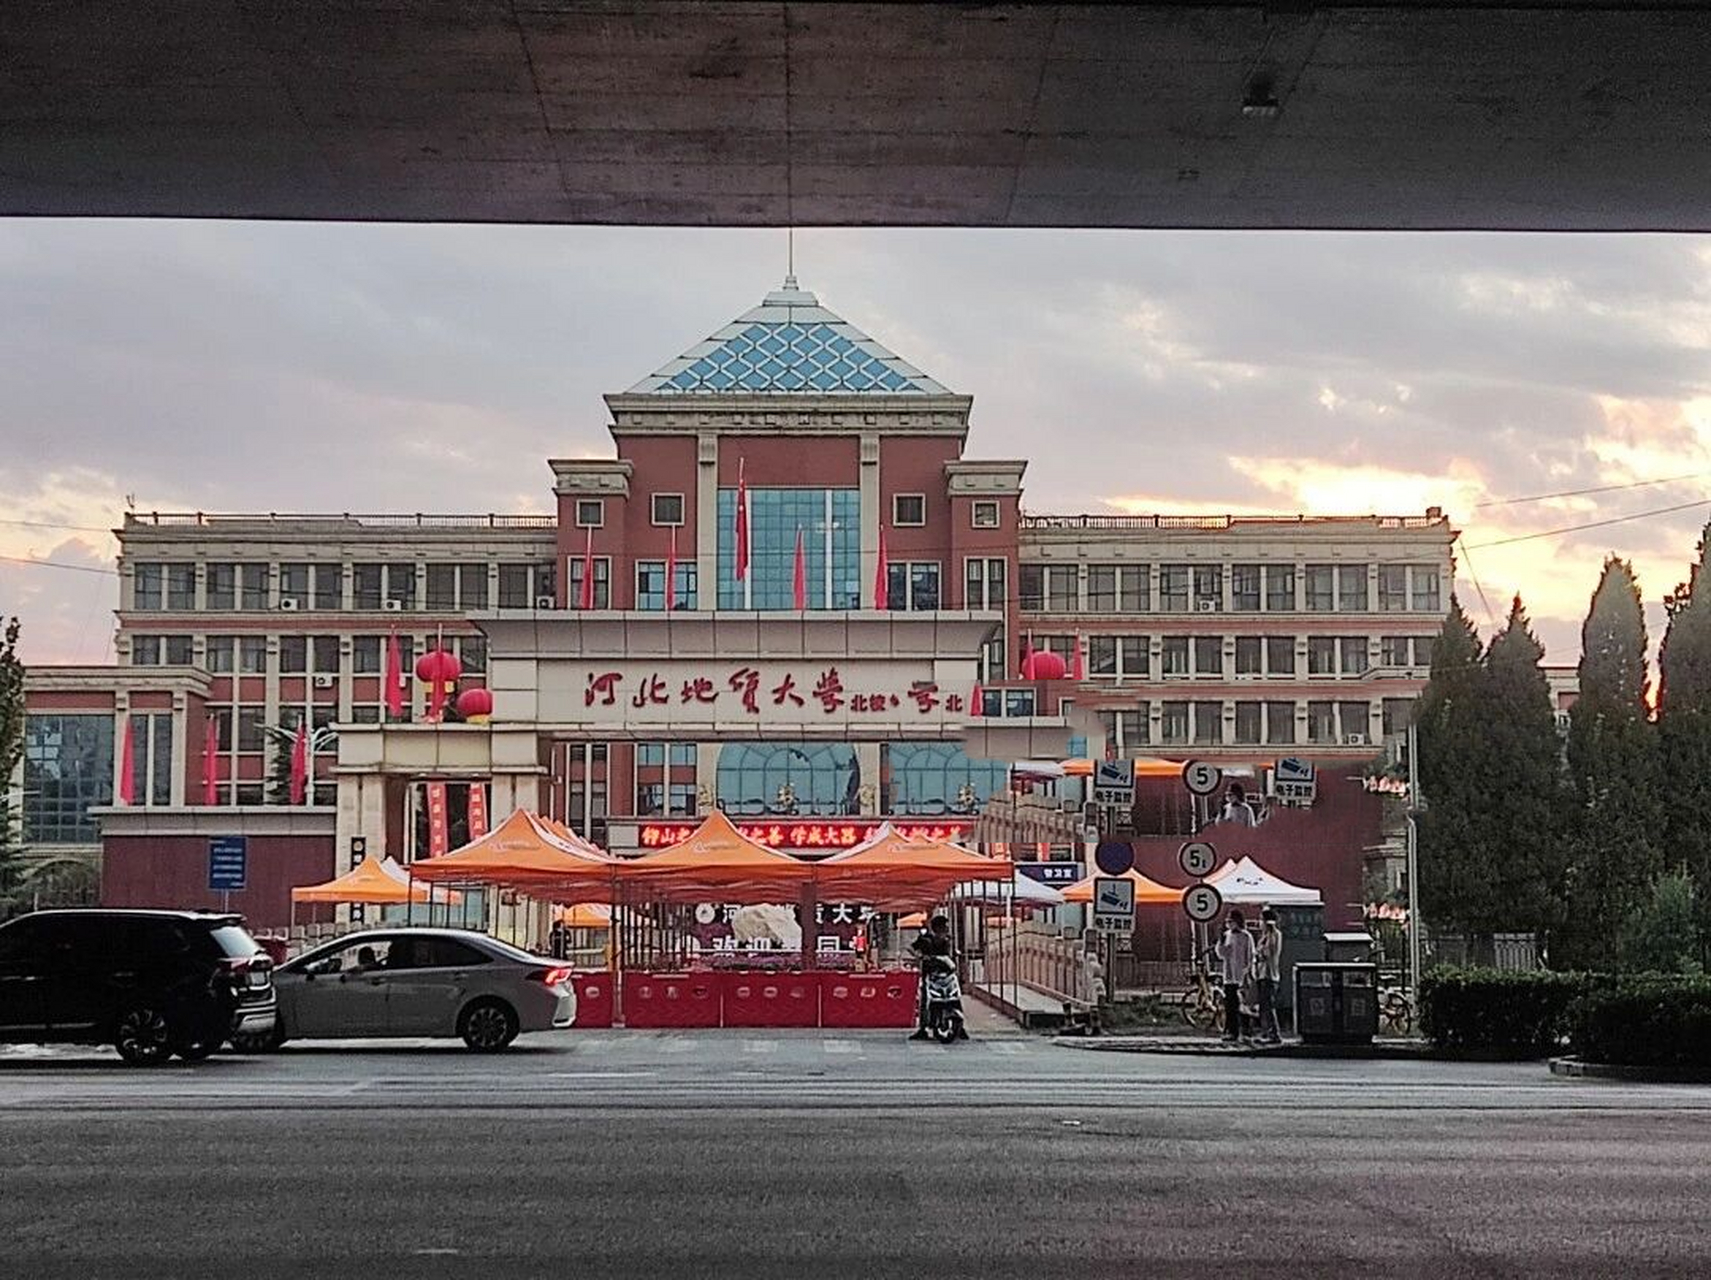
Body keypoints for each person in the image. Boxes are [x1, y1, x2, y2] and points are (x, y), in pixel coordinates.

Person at [908, 915, 964, 1041]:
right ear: (936, 928)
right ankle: (923, 1029)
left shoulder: (948, 940)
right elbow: (911, 948)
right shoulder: (925, 939)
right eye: (943, 926)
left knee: (956, 995)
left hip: (947, 973)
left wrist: (954, 955)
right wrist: (920, 955)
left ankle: (960, 1026)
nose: (946, 928)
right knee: (925, 999)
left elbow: (952, 953)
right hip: (930, 973)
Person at [1214, 910, 1255, 1042]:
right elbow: (1221, 954)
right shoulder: (1226, 935)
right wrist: (1220, 941)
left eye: (1231, 921)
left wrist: (1248, 971)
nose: (1229, 924)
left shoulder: (1246, 936)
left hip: (1241, 975)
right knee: (1230, 1005)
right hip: (1229, 975)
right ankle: (1232, 1031)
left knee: (1243, 1005)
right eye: (1227, 922)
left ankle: (1246, 1030)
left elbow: (1250, 955)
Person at [1254, 906, 1284, 1044]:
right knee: (1263, 1006)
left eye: (1261, 920)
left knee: (1268, 1005)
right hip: (1261, 975)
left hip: (1269, 975)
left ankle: (1274, 1033)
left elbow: (1267, 953)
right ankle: (1266, 1032)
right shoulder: (1264, 936)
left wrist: (1259, 952)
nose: (1259, 923)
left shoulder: (1274, 934)